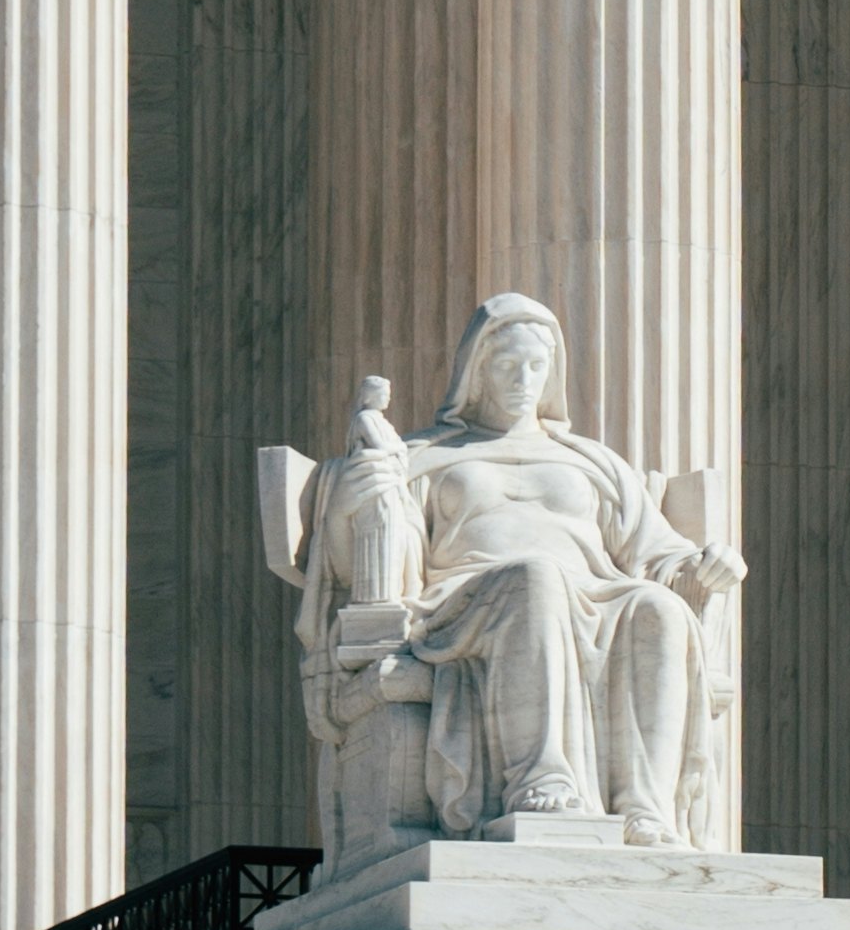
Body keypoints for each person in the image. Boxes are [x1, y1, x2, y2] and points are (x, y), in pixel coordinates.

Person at [297, 294, 716, 844]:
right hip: (461, 605)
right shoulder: (422, 456)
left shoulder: (594, 463)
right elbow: (357, 567)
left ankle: (646, 809)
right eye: (506, 365)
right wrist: (353, 499)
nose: (523, 379)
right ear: (477, 371)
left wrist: (702, 568)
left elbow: (659, 554)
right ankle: (541, 782)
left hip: (594, 595)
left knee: (660, 609)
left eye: (536, 366)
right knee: (536, 580)